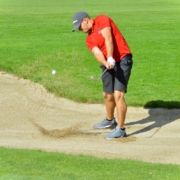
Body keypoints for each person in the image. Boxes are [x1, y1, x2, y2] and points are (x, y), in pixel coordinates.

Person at [72, 11, 133, 139]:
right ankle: (110, 120)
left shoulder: (102, 19)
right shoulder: (89, 39)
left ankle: (121, 130)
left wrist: (110, 57)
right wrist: (106, 62)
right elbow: (97, 53)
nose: (79, 30)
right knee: (107, 94)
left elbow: (108, 38)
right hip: (109, 63)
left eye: (79, 26)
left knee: (118, 94)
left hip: (122, 59)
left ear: (85, 20)